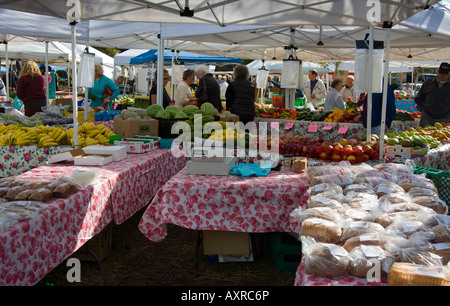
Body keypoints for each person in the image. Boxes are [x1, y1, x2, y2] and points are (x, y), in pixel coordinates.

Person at [415, 62, 450, 127]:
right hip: (427, 117)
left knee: (443, 136)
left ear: (449, 73)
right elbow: (419, 97)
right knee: (423, 135)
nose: (442, 75)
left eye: (445, 74)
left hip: (445, 118)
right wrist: (421, 109)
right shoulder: (428, 83)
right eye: (441, 73)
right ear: (438, 71)